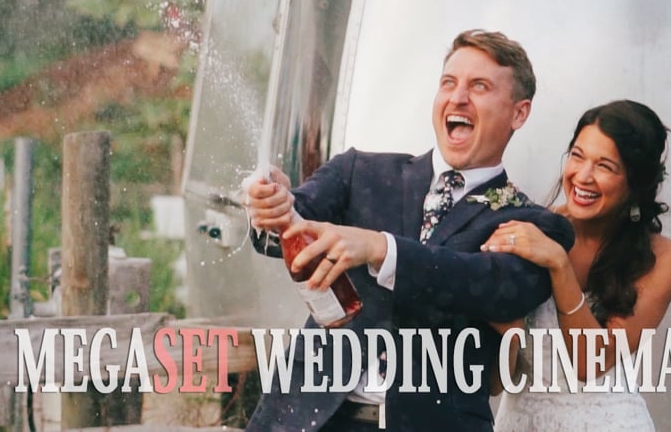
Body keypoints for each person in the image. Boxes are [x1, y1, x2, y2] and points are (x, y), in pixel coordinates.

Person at [242, 29, 575, 431]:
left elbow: (493, 290)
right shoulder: (358, 170)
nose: (458, 97)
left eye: (480, 86)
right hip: (306, 418)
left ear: (519, 113)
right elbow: (291, 222)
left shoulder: (537, 224)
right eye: (448, 83)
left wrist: (381, 248)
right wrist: (271, 205)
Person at [483, 100, 671, 431]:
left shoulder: (664, 258)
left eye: (605, 166)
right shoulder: (531, 230)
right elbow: (495, 383)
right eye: (577, 156)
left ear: (635, 183)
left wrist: (559, 267)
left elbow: (592, 362)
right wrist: (509, 333)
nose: (583, 176)